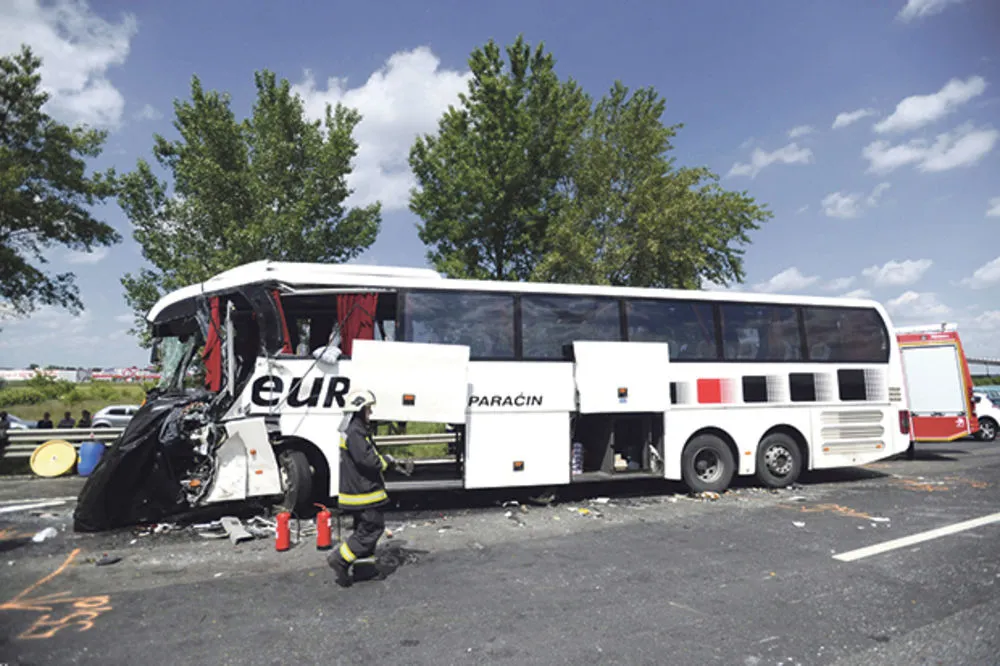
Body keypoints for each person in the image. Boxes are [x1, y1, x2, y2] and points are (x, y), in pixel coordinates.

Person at [328, 389, 394, 588]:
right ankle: (340, 558)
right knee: (372, 528)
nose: (370, 413)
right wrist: (386, 462)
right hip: (364, 492)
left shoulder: (353, 429)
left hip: (358, 490)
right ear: (358, 410)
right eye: (367, 409)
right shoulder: (356, 431)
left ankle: (365, 569)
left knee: (363, 528)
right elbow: (368, 461)